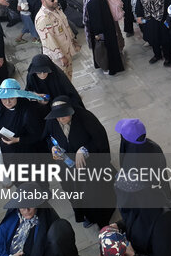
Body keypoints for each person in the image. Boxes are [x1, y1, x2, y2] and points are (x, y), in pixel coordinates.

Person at [43, 97, 117, 228]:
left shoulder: (86, 118)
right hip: (67, 168)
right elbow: (48, 138)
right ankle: (86, 215)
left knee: (95, 196)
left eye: (64, 116)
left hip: (90, 167)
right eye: (57, 117)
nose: (61, 119)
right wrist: (52, 147)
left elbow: (100, 139)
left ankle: (102, 220)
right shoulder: (52, 122)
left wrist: (85, 149)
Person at [0, 182, 60, 256]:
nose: (26, 210)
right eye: (22, 206)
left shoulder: (48, 223)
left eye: (30, 205)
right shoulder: (12, 218)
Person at [80, 0, 125, 76]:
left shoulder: (95, 0)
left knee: (104, 49)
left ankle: (108, 66)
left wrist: (98, 34)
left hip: (101, 31)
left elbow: (97, 20)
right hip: (107, 28)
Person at [35, 0, 81, 80]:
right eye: (51, 0)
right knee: (61, 79)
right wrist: (61, 56)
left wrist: (73, 40)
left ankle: (69, 93)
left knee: (68, 76)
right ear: (43, 1)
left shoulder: (56, 10)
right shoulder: (43, 18)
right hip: (57, 57)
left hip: (66, 50)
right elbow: (49, 41)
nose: (55, 1)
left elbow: (65, 27)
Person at [135, 0, 171, 66]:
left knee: (164, 38)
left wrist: (167, 18)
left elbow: (168, 2)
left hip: (161, 17)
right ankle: (157, 55)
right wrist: (139, 15)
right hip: (149, 17)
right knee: (153, 37)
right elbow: (138, 1)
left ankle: (168, 57)